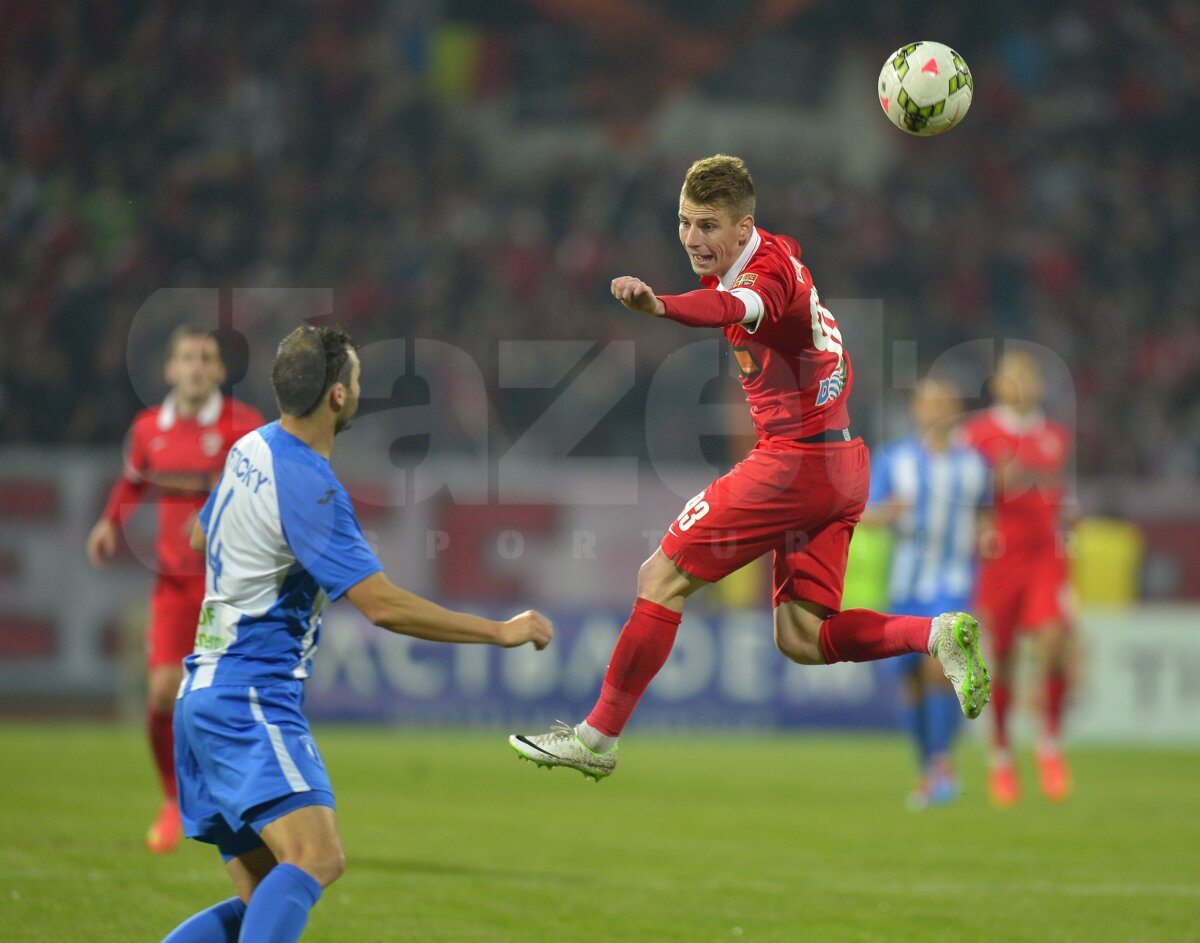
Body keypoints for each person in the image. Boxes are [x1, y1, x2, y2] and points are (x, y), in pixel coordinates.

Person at [508, 154, 990, 780]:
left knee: (660, 578)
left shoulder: (766, 278)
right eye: (684, 223)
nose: (691, 239)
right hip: (842, 464)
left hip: (795, 463)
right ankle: (935, 637)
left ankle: (597, 738)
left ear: (743, 228)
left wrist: (662, 308)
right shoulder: (769, 252)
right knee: (802, 637)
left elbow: (733, 310)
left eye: (708, 226)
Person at [160, 325, 552, 943]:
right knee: (317, 858)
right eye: (360, 380)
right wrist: (498, 631)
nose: (361, 390)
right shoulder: (309, 484)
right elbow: (381, 606)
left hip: (201, 697)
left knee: (266, 897)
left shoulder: (248, 449)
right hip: (250, 700)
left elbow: (199, 536)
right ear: (338, 396)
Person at [86, 325, 264, 853]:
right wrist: (108, 524)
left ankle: (245, 807)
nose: (195, 366)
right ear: (168, 370)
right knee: (163, 693)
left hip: (230, 591)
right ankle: (172, 800)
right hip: (173, 587)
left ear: (219, 371)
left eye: (205, 357)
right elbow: (133, 480)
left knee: (226, 703)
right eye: (186, 357)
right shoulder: (148, 429)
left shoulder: (243, 426)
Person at [862, 377, 989, 809]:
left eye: (943, 401)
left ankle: (941, 765)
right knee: (910, 683)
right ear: (917, 410)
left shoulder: (976, 464)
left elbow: (988, 519)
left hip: (952, 582)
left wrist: (991, 555)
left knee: (940, 669)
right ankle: (928, 769)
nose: (935, 409)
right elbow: (867, 514)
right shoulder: (894, 459)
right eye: (928, 402)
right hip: (904, 583)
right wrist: (889, 512)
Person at [959, 349, 1074, 807]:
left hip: (1044, 554)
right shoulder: (977, 434)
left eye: (1029, 375)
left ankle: (1048, 744)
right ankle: (1002, 756)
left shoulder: (1055, 436)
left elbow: (1057, 497)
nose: (1022, 383)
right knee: (1001, 659)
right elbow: (968, 494)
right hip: (1000, 556)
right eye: (1013, 375)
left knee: (1052, 643)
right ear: (999, 384)